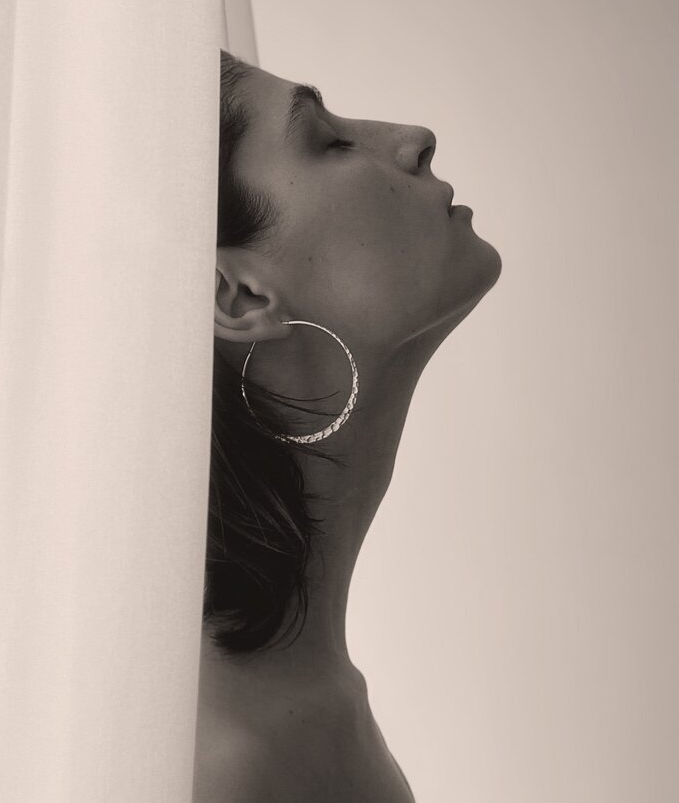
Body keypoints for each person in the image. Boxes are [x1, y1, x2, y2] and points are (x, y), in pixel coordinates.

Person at [192, 50, 503, 802]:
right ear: (238, 296)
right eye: (328, 140)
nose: (414, 138)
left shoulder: (301, 690)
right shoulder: (219, 766)